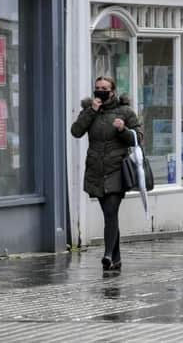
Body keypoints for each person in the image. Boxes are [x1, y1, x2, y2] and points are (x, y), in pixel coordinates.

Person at [71, 76, 142, 271]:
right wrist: (91, 111)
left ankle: (108, 254)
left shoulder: (125, 111)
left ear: (112, 91)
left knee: (111, 212)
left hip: (117, 169)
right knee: (108, 213)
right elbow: (76, 131)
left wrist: (123, 130)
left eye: (104, 88)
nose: (100, 91)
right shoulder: (90, 110)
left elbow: (138, 138)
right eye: (97, 87)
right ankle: (116, 258)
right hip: (96, 170)